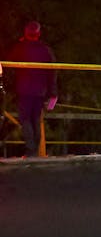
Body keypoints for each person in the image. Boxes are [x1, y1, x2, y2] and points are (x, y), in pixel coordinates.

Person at [6, 21, 57, 157]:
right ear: (38, 34)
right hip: (40, 90)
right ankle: (34, 149)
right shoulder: (45, 49)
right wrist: (53, 92)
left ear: (25, 33)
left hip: (24, 89)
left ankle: (31, 149)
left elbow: (9, 63)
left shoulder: (20, 48)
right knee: (35, 118)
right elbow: (52, 71)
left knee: (26, 119)